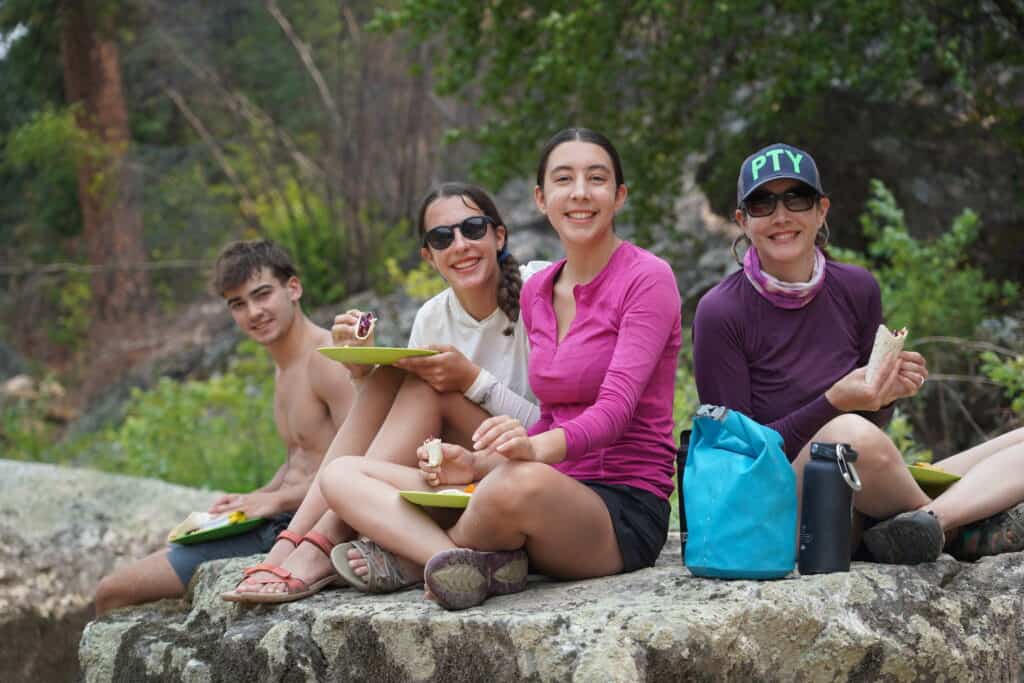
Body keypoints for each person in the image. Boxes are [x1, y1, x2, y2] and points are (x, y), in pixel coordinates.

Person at [319, 127, 681, 610]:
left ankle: (412, 559)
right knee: (342, 474)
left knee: (516, 481)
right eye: (563, 179)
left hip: (618, 509)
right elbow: (553, 412)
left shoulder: (647, 278)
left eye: (596, 179)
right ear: (540, 198)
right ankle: (456, 563)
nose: (579, 192)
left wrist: (524, 452)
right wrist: (474, 463)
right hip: (538, 483)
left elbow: (614, 412)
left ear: (618, 196)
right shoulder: (538, 291)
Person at [692, 142, 1024, 565]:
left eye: (797, 198)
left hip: (855, 487)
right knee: (847, 434)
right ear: (742, 220)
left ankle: (925, 522)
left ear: (821, 210)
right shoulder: (721, 312)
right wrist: (833, 403)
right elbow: (737, 458)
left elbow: (873, 429)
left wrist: (883, 395)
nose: (781, 216)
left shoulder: (856, 289)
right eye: (762, 203)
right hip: (772, 508)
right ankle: (959, 529)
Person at [224, 182, 546, 602]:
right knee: (389, 377)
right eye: (442, 237)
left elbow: (557, 432)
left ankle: (318, 543)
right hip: (457, 478)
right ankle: (295, 543)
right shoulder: (433, 316)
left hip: (524, 467)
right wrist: (360, 370)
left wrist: (472, 382)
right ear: (428, 256)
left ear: (498, 236)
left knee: (424, 384)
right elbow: (403, 433)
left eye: (472, 228)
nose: (461, 245)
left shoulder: (540, 288)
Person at [93, 240, 356, 616]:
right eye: (238, 304)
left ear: (293, 288)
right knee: (115, 589)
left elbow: (359, 464)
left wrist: (274, 501)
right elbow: (302, 455)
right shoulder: (285, 365)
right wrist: (250, 499)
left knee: (112, 592)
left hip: (307, 528)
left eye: (262, 295)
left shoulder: (328, 360)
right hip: (278, 515)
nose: (254, 312)